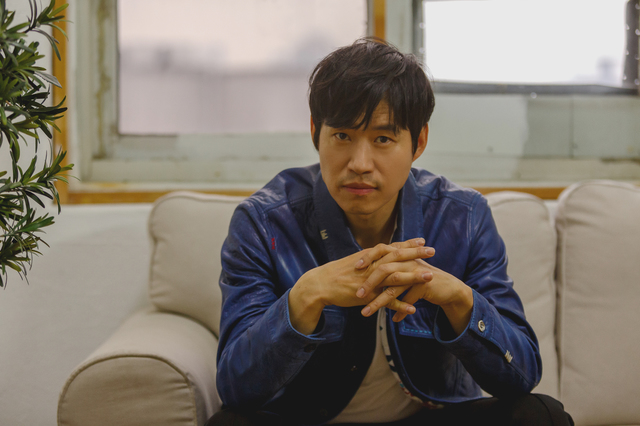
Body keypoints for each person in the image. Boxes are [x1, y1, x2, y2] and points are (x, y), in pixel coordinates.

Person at [207, 38, 573, 426]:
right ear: (316, 132)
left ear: (418, 142)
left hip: (430, 417)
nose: (360, 163)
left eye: (383, 139)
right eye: (342, 136)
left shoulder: (463, 217)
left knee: (540, 415)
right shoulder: (263, 221)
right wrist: (306, 295)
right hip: (307, 420)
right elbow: (236, 389)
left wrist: (458, 299)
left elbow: (522, 375)